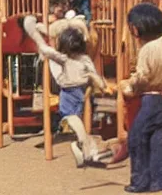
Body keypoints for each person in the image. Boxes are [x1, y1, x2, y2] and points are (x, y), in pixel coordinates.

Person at [23, 17, 107, 166]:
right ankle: (84, 146)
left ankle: (84, 141)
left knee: (69, 117)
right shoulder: (85, 58)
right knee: (75, 117)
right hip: (81, 91)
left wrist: (32, 32)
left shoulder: (64, 59)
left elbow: (44, 48)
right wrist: (100, 84)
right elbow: (93, 73)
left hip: (68, 90)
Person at [120, 3, 162, 193]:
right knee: (157, 140)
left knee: (137, 137)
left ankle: (140, 181)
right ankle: (157, 181)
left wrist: (129, 85)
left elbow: (142, 77)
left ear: (136, 28)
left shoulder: (147, 50)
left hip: (149, 98)